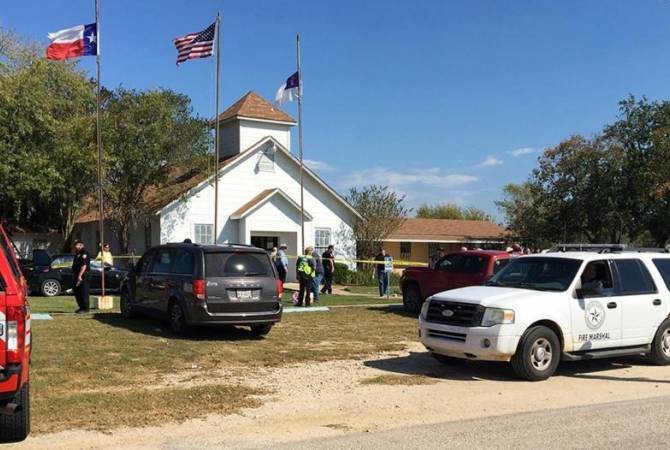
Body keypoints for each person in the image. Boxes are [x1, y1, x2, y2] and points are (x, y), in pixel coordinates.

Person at [71, 239, 91, 313]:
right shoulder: (77, 253)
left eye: (76, 245)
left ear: (81, 245)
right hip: (77, 275)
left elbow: (84, 265)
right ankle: (81, 307)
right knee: (77, 292)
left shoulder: (84, 252)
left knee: (83, 292)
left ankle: (85, 308)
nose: (74, 246)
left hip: (83, 275)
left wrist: (80, 276)